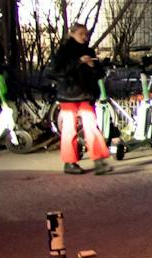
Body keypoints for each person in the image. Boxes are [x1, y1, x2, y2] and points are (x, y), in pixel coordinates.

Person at [48, 23, 112, 174]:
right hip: (69, 95)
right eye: (81, 34)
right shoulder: (63, 51)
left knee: (91, 127)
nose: (85, 37)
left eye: (86, 34)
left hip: (85, 94)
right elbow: (57, 72)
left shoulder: (89, 51)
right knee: (69, 129)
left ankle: (98, 160)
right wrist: (78, 62)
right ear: (72, 34)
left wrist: (92, 66)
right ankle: (70, 162)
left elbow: (99, 74)